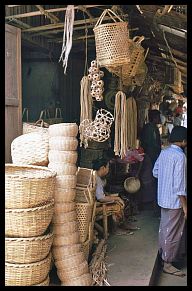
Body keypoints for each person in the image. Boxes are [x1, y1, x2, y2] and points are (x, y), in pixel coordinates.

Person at [152, 126, 187, 277]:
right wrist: (185, 206)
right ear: (184, 141)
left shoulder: (164, 152)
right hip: (174, 202)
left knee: (164, 229)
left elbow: (156, 172)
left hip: (163, 198)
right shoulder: (180, 157)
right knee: (172, 232)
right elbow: (180, 186)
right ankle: (168, 263)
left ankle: (165, 256)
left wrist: (166, 181)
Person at [92, 158, 135, 231]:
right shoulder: (97, 179)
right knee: (118, 205)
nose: (108, 170)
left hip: (96, 202)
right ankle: (116, 229)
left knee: (121, 199)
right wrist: (116, 198)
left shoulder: (96, 175)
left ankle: (123, 223)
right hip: (96, 205)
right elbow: (101, 198)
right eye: (108, 167)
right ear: (103, 168)